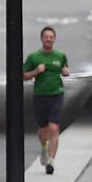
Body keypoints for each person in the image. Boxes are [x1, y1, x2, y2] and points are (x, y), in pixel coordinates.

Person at [22, 26, 69, 174]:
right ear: (41, 38)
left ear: (54, 39)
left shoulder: (60, 56)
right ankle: (44, 148)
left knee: (54, 128)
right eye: (46, 37)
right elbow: (24, 75)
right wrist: (37, 71)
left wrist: (66, 72)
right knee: (43, 129)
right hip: (40, 95)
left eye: (51, 37)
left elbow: (65, 69)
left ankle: (51, 161)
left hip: (57, 94)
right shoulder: (34, 57)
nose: (48, 39)